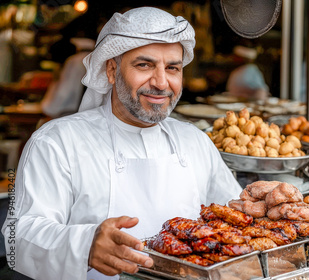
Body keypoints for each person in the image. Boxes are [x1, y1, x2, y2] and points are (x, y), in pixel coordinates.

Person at [2, 7, 242, 280]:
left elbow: (235, 223)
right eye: (145, 65)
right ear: (112, 70)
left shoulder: (195, 142)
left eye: (172, 68)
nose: (161, 82)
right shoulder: (56, 143)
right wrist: (85, 245)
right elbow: (17, 238)